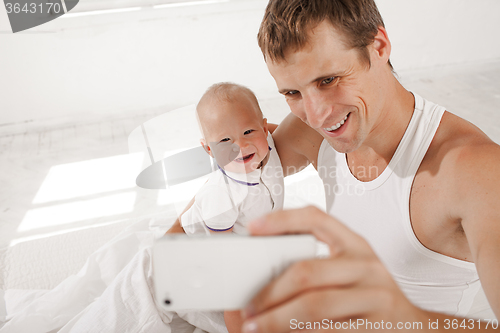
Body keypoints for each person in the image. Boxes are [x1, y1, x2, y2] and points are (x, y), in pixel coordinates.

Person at [235, 0, 500, 332]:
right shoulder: (314, 129)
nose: (316, 116)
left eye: (328, 80)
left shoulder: (474, 170)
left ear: (379, 47)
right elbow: (234, 183)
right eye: (292, 92)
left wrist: (402, 316)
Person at [169, 82, 284, 333]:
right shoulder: (222, 194)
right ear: (209, 150)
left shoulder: (269, 144)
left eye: (248, 131)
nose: (240, 146)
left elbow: (284, 130)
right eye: (225, 140)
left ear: (264, 129)